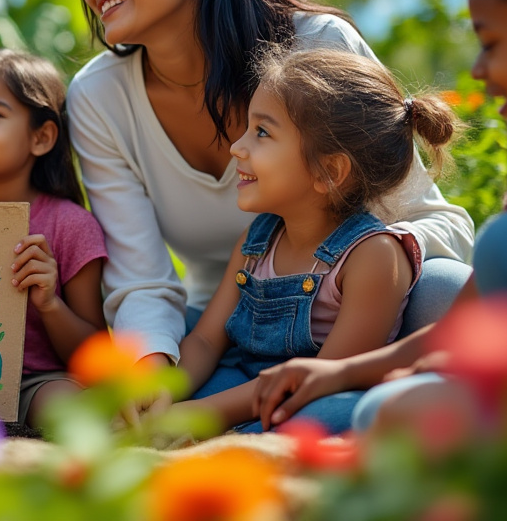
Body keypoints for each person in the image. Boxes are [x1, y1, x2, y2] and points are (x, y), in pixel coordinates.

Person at [63, 0, 475, 372]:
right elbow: (140, 279)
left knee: (446, 291)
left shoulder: (317, 46)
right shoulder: (97, 96)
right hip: (219, 330)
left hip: (357, 317)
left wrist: (360, 273)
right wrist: (153, 374)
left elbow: (434, 219)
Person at [253, 0, 507, 432]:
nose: (476, 70)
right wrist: (340, 372)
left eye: (492, 44)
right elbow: (467, 324)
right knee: (385, 409)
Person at [167, 48, 457, 433]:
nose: (237, 146)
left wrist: (195, 416)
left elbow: (323, 378)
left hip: (306, 396)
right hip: (241, 380)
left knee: (332, 416)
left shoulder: (372, 257)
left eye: (262, 132)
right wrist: (165, 394)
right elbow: (206, 340)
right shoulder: (257, 240)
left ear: (330, 171)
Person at [0, 49, 108, 427]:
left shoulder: (71, 225)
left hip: (35, 383)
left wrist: (49, 304)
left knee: (68, 405)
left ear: (42, 136)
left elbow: (93, 353)